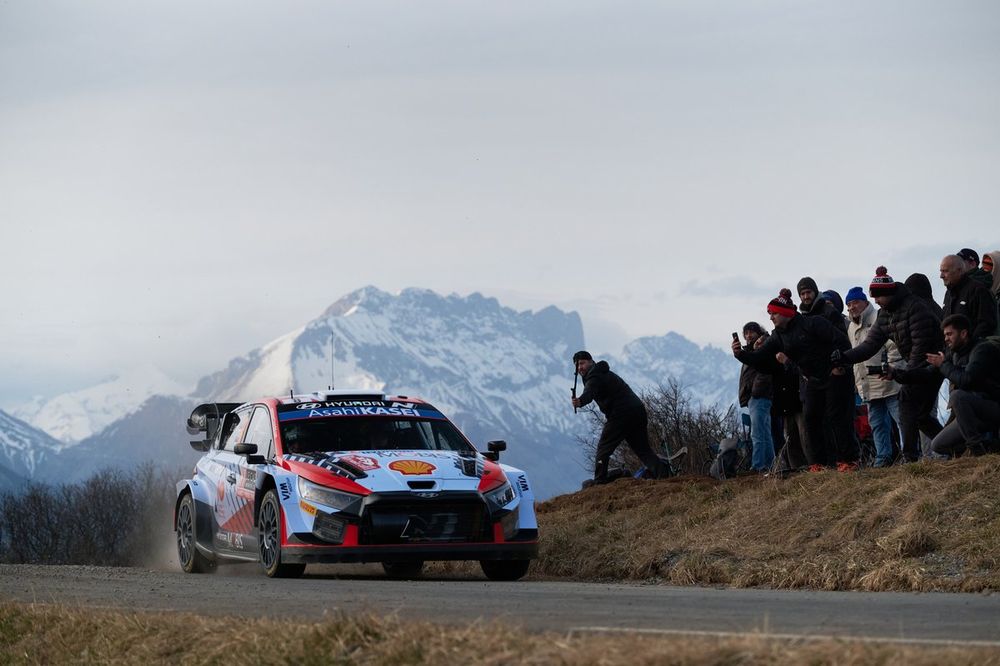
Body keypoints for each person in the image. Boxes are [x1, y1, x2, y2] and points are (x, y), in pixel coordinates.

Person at [733, 289, 856, 471]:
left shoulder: (814, 323)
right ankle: (818, 464)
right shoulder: (778, 336)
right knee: (811, 420)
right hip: (811, 379)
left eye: (774, 313)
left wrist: (841, 366)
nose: (771, 318)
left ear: (785, 313)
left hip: (834, 375)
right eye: (769, 314)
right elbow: (760, 358)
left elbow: (842, 342)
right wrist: (741, 354)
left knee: (837, 419)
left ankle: (848, 461)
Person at [836, 267, 944, 462]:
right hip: (916, 366)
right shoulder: (886, 314)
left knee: (907, 402)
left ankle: (912, 456)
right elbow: (870, 345)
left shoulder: (915, 308)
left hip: (931, 364)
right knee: (920, 415)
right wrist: (844, 357)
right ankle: (952, 446)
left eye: (877, 296)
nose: (875, 301)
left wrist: (904, 375)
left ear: (887, 293)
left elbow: (921, 346)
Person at [571, 351, 668, 482]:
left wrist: (581, 401)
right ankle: (665, 476)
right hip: (638, 411)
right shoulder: (601, 372)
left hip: (621, 413)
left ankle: (599, 483)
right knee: (643, 450)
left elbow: (590, 392)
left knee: (604, 449)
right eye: (577, 366)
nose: (579, 368)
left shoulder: (594, 375)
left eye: (582, 363)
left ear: (590, 361)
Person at [923, 315, 1000, 457]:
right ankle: (991, 447)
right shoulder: (954, 353)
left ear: (964, 333)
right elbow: (926, 372)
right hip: (970, 413)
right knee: (938, 445)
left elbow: (967, 380)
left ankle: (977, 447)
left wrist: (943, 364)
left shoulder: (982, 350)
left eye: (949, 334)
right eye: (945, 335)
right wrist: (896, 374)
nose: (946, 338)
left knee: (957, 396)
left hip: (992, 407)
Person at [845, 286, 903, 467]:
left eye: (854, 302)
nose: (851, 307)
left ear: (864, 302)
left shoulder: (879, 317)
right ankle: (883, 457)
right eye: (848, 304)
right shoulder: (851, 327)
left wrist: (892, 367)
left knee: (901, 419)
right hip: (867, 385)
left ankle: (910, 452)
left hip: (888, 379)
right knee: (876, 424)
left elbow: (894, 346)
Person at [737, 323, 775, 473]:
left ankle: (758, 465)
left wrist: (754, 391)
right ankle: (770, 465)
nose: (748, 336)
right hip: (759, 396)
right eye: (746, 333)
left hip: (759, 396)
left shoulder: (762, 348)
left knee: (758, 433)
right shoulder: (752, 351)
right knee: (765, 432)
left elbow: (764, 372)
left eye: (751, 332)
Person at [940, 254, 997, 340]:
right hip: (951, 352)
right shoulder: (948, 294)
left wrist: (969, 346)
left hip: (974, 350)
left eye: (945, 271)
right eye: (941, 271)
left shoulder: (978, 291)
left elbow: (986, 324)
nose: (941, 276)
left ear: (959, 270)